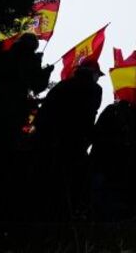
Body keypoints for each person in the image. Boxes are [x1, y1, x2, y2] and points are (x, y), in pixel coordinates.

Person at [32, 57, 104, 218]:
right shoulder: (94, 89)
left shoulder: (62, 85)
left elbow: (44, 113)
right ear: (93, 73)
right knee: (75, 183)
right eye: (98, 74)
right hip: (73, 142)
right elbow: (87, 116)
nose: (98, 77)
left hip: (49, 140)